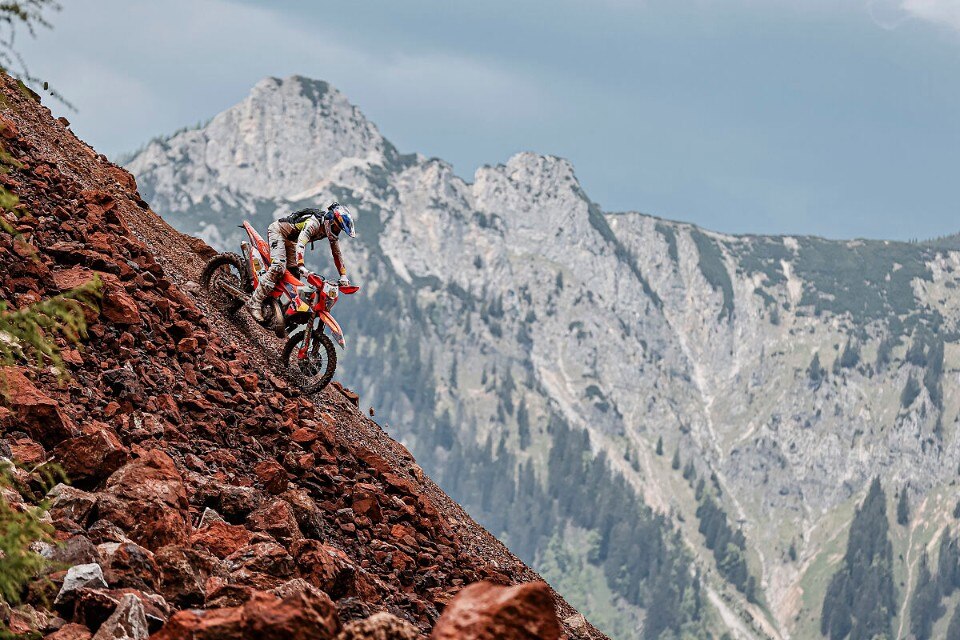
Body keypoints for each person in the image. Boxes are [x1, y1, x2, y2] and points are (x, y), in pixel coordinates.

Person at [248, 202, 356, 322]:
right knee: (278, 267)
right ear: (330, 220)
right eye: (336, 227)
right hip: (279, 232)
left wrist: (343, 275)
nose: (337, 231)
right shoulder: (313, 224)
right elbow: (301, 242)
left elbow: (337, 253)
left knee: (294, 276)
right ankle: (254, 302)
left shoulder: (331, 232)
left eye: (339, 230)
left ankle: (279, 311)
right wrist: (301, 265)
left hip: (291, 241)